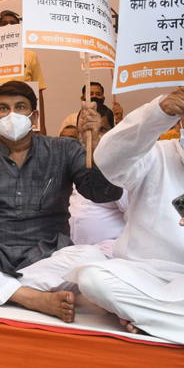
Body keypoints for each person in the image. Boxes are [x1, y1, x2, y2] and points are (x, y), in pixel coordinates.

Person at [0, 81, 122, 323]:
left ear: (34, 116)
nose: (12, 115)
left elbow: (104, 193)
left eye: (20, 107)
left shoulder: (64, 149)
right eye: (4, 109)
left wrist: (96, 148)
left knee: (91, 257)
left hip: (48, 256)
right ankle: (29, 297)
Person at [70, 86, 184, 353]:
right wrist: (158, 112)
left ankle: (156, 320)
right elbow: (107, 161)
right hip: (146, 276)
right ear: (180, 119)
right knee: (93, 279)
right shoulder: (153, 154)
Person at [68, 102, 127, 259]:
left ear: (112, 131)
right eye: (88, 129)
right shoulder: (71, 161)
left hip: (107, 254)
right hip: (69, 251)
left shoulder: (120, 165)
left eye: (102, 129)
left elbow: (133, 210)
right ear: (79, 132)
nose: (94, 134)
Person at [0, 11, 47, 135]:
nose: (9, 26)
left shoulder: (30, 56)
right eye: (4, 23)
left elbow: (38, 92)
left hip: (22, 119)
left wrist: (41, 126)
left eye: (13, 23)